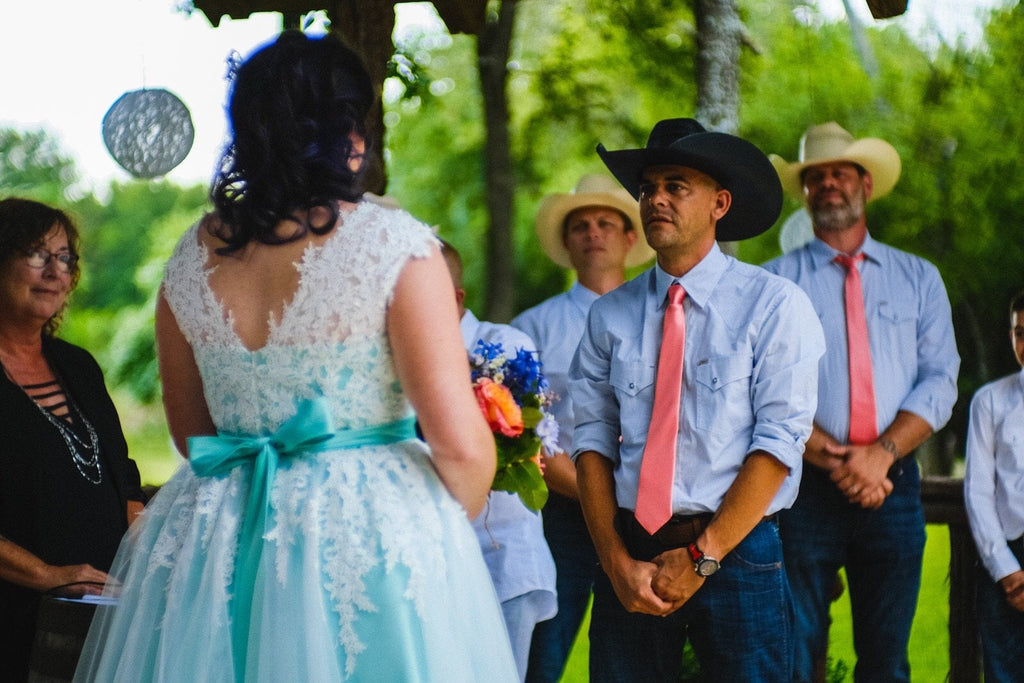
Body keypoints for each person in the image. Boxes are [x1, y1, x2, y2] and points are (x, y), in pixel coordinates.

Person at [74, 31, 518, 682]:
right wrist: (434, 540)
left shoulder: (192, 257)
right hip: (365, 542)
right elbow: (460, 447)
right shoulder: (396, 244)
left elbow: (193, 432)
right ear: (349, 131)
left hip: (216, 538)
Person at [570, 118, 825, 681]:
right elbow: (589, 444)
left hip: (738, 554)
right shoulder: (609, 315)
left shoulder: (774, 306)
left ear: (719, 203)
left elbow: (779, 443)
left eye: (676, 186)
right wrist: (614, 562)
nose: (655, 199)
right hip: (630, 550)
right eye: (647, 188)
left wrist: (702, 557)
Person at [764, 121, 960, 682]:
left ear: (865, 185)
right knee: (797, 656)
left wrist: (881, 454)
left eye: (840, 173)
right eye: (815, 176)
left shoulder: (919, 278)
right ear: (803, 191)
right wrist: (835, 457)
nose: (828, 184)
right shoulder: (775, 284)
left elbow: (941, 378)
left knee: (887, 661)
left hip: (893, 489)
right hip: (802, 491)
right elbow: (768, 388)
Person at [510, 173, 653, 682]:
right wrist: (593, 496)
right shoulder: (532, 328)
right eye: (581, 226)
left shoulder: (660, 315)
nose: (593, 233)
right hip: (564, 512)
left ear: (629, 237)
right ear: (567, 242)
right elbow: (524, 432)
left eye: (606, 223)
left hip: (647, 516)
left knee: (634, 660)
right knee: (544, 655)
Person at [0, 197, 145, 681]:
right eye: (37, 254)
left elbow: (122, 480)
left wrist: (149, 558)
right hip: (16, 622)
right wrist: (46, 577)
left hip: (102, 619)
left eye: (66, 258)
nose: (55, 271)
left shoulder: (79, 366)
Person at [441, 240, 558, 681]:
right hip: (437, 560)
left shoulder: (503, 343)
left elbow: (515, 442)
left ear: (453, 298)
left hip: (501, 555)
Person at [964, 290, 1024, 681]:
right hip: (1006, 556)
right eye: (1020, 332)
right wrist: (1006, 571)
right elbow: (978, 492)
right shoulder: (990, 402)